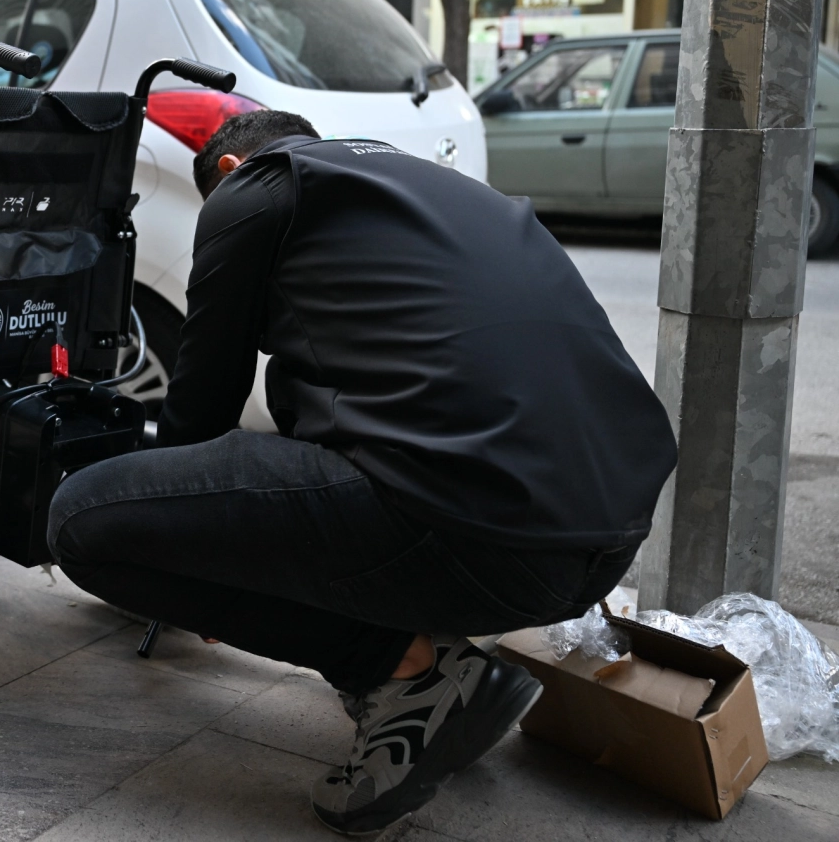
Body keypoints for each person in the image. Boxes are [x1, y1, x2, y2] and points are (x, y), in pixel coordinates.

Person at [47, 111, 678, 834]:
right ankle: (430, 651)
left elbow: (203, 405)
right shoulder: (437, 188)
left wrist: (192, 554)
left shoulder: (255, 185)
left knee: (80, 520)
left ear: (227, 169)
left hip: (479, 535)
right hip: (596, 544)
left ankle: (406, 672)